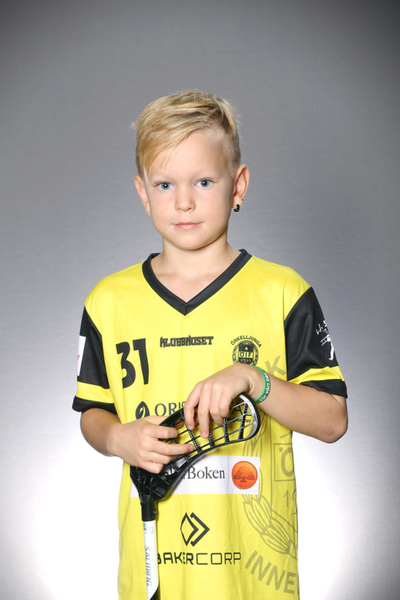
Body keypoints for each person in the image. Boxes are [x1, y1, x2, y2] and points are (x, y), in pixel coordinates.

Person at [73, 89, 348, 600]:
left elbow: (332, 421)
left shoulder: (282, 292)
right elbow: (94, 412)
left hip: (253, 579)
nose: (183, 202)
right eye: (165, 184)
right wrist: (116, 439)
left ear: (237, 185)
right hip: (153, 565)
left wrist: (253, 379)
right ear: (142, 192)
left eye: (203, 181)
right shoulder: (108, 301)